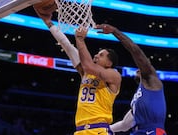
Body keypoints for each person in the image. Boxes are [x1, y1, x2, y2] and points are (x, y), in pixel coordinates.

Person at [33, 3, 122, 135]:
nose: (96, 55)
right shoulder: (86, 72)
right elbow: (67, 46)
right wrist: (48, 23)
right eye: (98, 53)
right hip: (80, 130)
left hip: (99, 130)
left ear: (109, 63)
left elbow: (88, 65)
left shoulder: (113, 75)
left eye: (101, 55)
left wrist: (80, 40)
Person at [95, 24, 167, 135]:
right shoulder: (137, 100)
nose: (137, 70)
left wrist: (115, 31)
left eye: (139, 67)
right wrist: (104, 131)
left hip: (153, 132)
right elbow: (125, 124)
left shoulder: (151, 78)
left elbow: (135, 51)